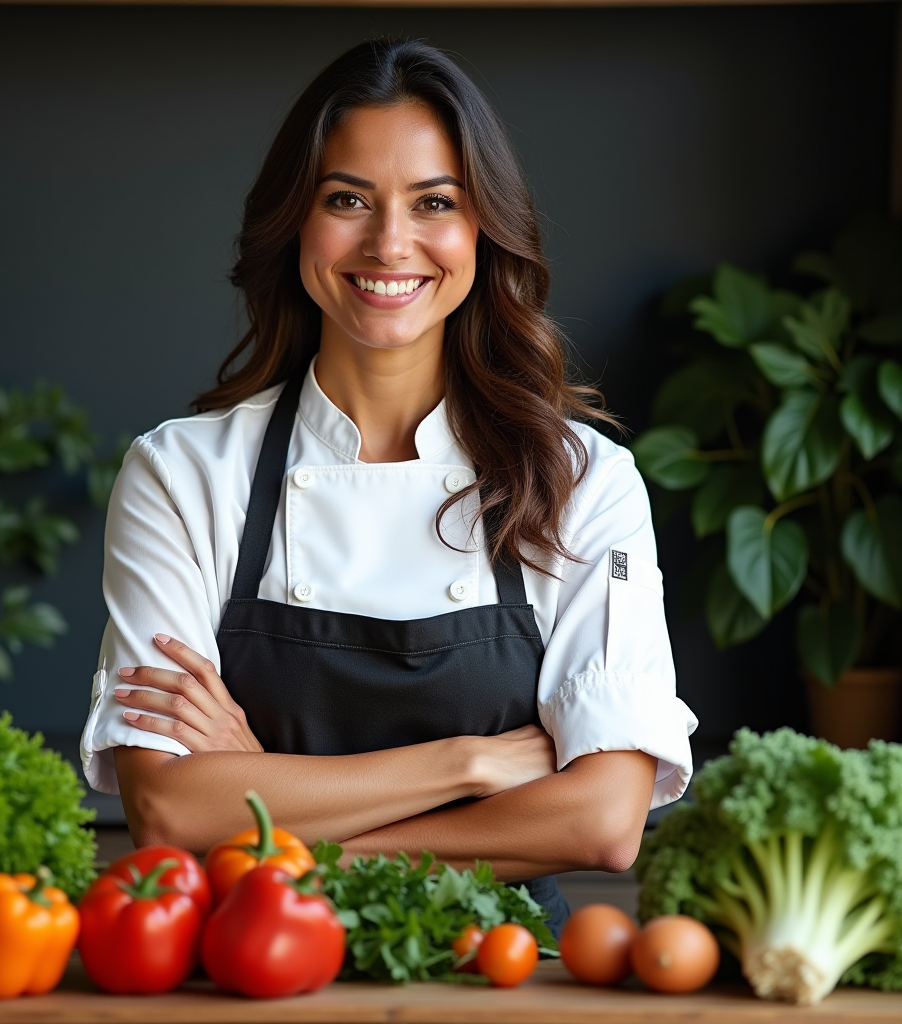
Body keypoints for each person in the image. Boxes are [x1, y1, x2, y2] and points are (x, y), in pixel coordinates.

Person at [80, 38, 697, 937]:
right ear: (296, 223)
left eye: (435, 202)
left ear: (484, 230)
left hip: (506, 972)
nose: (389, 243)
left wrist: (271, 837)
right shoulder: (182, 476)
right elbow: (169, 811)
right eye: (346, 201)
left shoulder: (583, 482)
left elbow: (602, 821)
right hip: (260, 971)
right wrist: (472, 766)